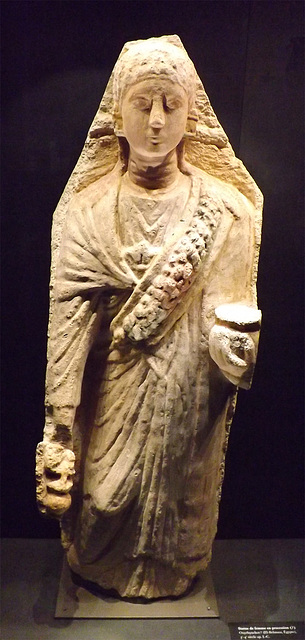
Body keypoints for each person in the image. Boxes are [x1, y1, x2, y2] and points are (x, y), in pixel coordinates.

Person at [36, 36, 262, 599]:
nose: (157, 121)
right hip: (116, 393)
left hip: (191, 402)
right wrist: (60, 430)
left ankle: (178, 567)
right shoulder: (87, 217)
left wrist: (235, 350)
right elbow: (67, 335)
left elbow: (232, 320)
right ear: (118, 114)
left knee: (183, 507)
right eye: (143, 103)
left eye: (170, 104)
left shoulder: (227, 212)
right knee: (104, 502)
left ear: (192, 114)